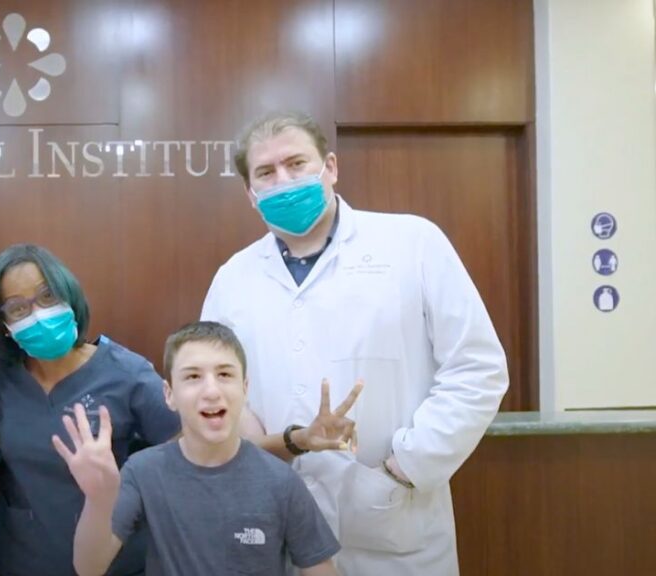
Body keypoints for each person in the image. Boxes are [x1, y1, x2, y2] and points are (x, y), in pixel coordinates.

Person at [201, 111, 509, 575]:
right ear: (250, 194)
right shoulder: (233, 279)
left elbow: (478, 368)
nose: (283, 180)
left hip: (393, 513)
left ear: (330, 167)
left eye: (297, 163)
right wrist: (257, 457)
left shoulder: (412, 242)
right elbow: (218, 385)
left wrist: (405, 467)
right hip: (278, 514)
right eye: (266, 172)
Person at [54, 320, 353, 576]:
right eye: (193, 376)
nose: (211, 391)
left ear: (245, 389)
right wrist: (99, 499)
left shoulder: (281, 482)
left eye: (225, 374)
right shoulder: (143, 471)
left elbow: (320, 567)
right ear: (169, 395)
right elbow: (89, 568)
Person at [0, 243, 181, 576]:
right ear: (3, 324)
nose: (38, 314)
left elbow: (187, 454)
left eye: (47, 297)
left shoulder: (126, 373)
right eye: (18, 309)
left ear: (68, 294)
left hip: (117, 564)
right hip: (24, 562)